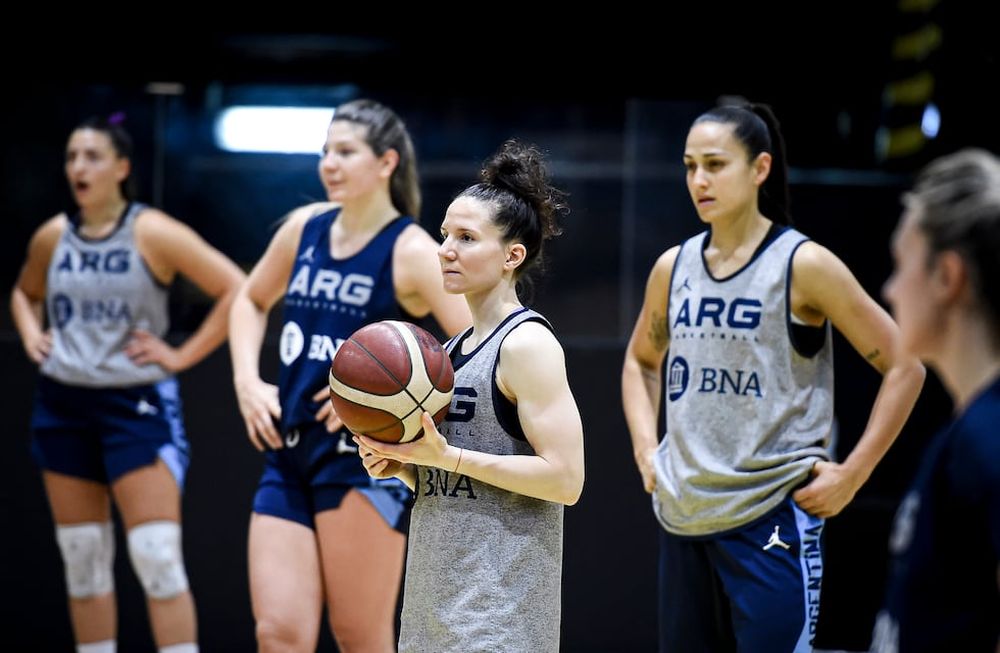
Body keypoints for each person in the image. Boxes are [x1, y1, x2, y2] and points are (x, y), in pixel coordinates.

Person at [620, 101, 926, 652]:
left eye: (715, 164)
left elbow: (906, 364)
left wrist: (853, 474)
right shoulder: (673, 267)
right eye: (690, 166)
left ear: (760, 168)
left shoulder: (802, 264)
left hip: (772, 517)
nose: (699, 180)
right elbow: (641, 360)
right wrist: (647, 449)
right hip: (684, 517)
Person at [228, 98, 470, 652]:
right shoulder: (302, 229)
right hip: (287, 455)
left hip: (362, 463)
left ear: (386, 163)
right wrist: (247, 379)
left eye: (345, 152)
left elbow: (475, 350)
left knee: (359, 637)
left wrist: (390, 409)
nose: (329, 164)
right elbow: (248, 300)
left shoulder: (412, 252)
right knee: (277, 634)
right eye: (325, 152)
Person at [10, 115, 245, 653]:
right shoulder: (53, 236)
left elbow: (234, 287)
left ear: (121, 168)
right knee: (83, 559)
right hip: (62, 405)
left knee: (157, 556)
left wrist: (181, 355)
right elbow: (23, 293)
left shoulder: (152, 231)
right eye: (71, 157)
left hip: (133, 405)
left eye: (91, 156)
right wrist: (30, 333)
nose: (78, 168)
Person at [355, 139, 585, 652]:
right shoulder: (446, 351)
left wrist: (449, 456)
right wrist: (407, 464)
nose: (446, 250)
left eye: (466, 237)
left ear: (512, 255)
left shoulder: (528, 344)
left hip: (500, 622)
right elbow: (462, 474)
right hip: (429, 616)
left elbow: (567, 479)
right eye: (444, 235)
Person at [871, 148, 1000, 652]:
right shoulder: (965, 434)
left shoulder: (987, 444)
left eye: (902, 263)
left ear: (947, 277)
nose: (889, 288)